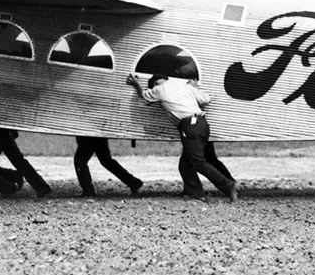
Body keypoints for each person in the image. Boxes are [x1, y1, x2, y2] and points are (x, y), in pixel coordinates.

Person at [127, 73, 240, 201]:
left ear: (156, 84)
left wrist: (137, 84)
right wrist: (194, 88)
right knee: (185, 164)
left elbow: (143, 96)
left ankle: (229, 186)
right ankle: (194, 193)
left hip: (190, 126)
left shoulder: (160, 89)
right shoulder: (186, 87)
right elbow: (206, 99)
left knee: (198, 162)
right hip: (203, 125)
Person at [73, 136, 143, 198]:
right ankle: (133, 182)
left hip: (92, 133)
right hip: (99, 132)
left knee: (80, 160)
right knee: (106, 161)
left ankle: (88, 190)